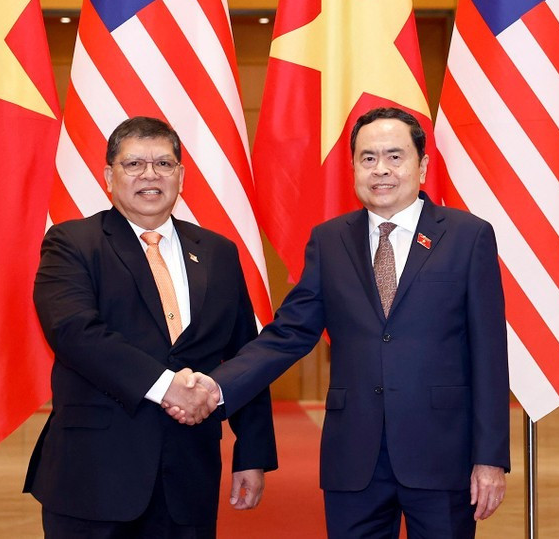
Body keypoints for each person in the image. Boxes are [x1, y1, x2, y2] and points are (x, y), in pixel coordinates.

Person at [174, 107, 510, 538]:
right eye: (368, 158)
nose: (381, 169)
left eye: (395, 156)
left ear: (422, 166)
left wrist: (490, 458)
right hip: (354, 457)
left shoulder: (468, 236)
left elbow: (489, 356)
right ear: (353, 167)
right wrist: (217, 386)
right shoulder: (330, 240)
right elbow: (289, 333)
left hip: (442, 455)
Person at [24, 116, 277, 538]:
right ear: (109, 176)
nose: (150, 175)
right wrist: (166, 386)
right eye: (134, 164)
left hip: (188, 475)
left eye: (163, 164)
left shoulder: (218, 252)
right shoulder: (72, 244)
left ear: (180, 174)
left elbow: (243, 355)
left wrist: (252, 452)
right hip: (94, 476)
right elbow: (74, 333)